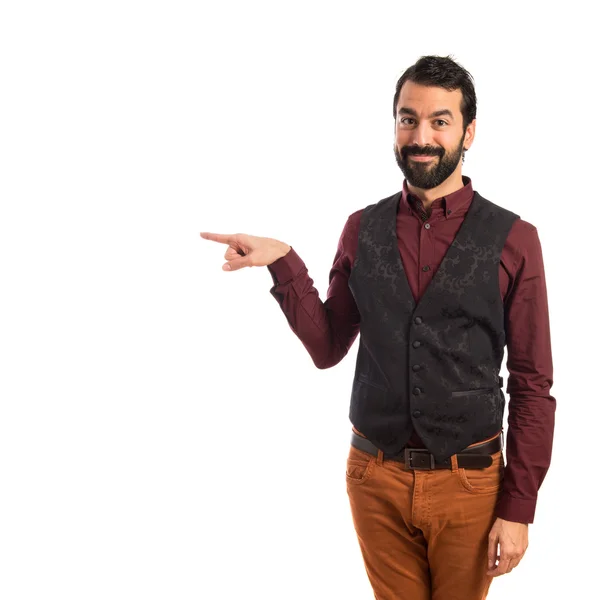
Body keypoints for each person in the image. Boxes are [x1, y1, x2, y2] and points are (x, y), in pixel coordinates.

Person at [199, 54, 556, 599]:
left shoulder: (516, 239)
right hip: (374, 478)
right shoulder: (360, 229)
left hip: (470, 482)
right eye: (408, 118)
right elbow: (326, 346)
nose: (422, 135)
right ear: (394, 128)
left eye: (441, 120)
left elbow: (533, 383)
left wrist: (519, 507)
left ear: (469, 132)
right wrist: (284, 261)